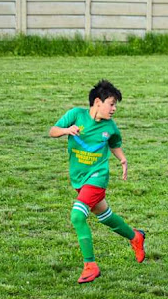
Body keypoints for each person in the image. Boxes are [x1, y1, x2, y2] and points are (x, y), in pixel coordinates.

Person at [49, 80, 145, 284]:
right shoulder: (76, 115)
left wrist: (122, 159)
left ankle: (90, 266)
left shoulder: (110, 127)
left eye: (115, 105)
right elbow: (53, 131)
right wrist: (67, 130)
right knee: (104, 215)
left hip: (97, 177)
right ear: (98, 102)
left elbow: (114, 143)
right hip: (78, 178)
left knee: (77, 216)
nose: (114, 109)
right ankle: (135, 236)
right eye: (111, 104)